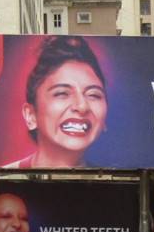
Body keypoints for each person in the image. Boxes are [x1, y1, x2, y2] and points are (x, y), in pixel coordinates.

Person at [7, 36, 108, 168]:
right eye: (62, 93)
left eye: (93, 95)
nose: (82, 106)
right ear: (31, 115)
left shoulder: (118, 180)